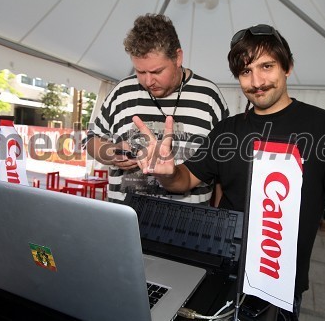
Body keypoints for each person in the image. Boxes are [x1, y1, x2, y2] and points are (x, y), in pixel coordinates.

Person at [132, 24, 325, 320]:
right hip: (221, 276)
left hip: (279, 288)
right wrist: (166, 173)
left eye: (267, 66)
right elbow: (185, 180)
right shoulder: (226, 132)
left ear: (288, 67)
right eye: (245, 72)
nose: (257, 81)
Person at [87, 13, 229, 204]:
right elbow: (91, 140)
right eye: (140, 71)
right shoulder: (121, 92)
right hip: (126, 219)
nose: (148, 81)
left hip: (188, 224)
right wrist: (112, 152)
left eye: (156, 71)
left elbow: (223, 167)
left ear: (178, 57)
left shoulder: (209, 97)